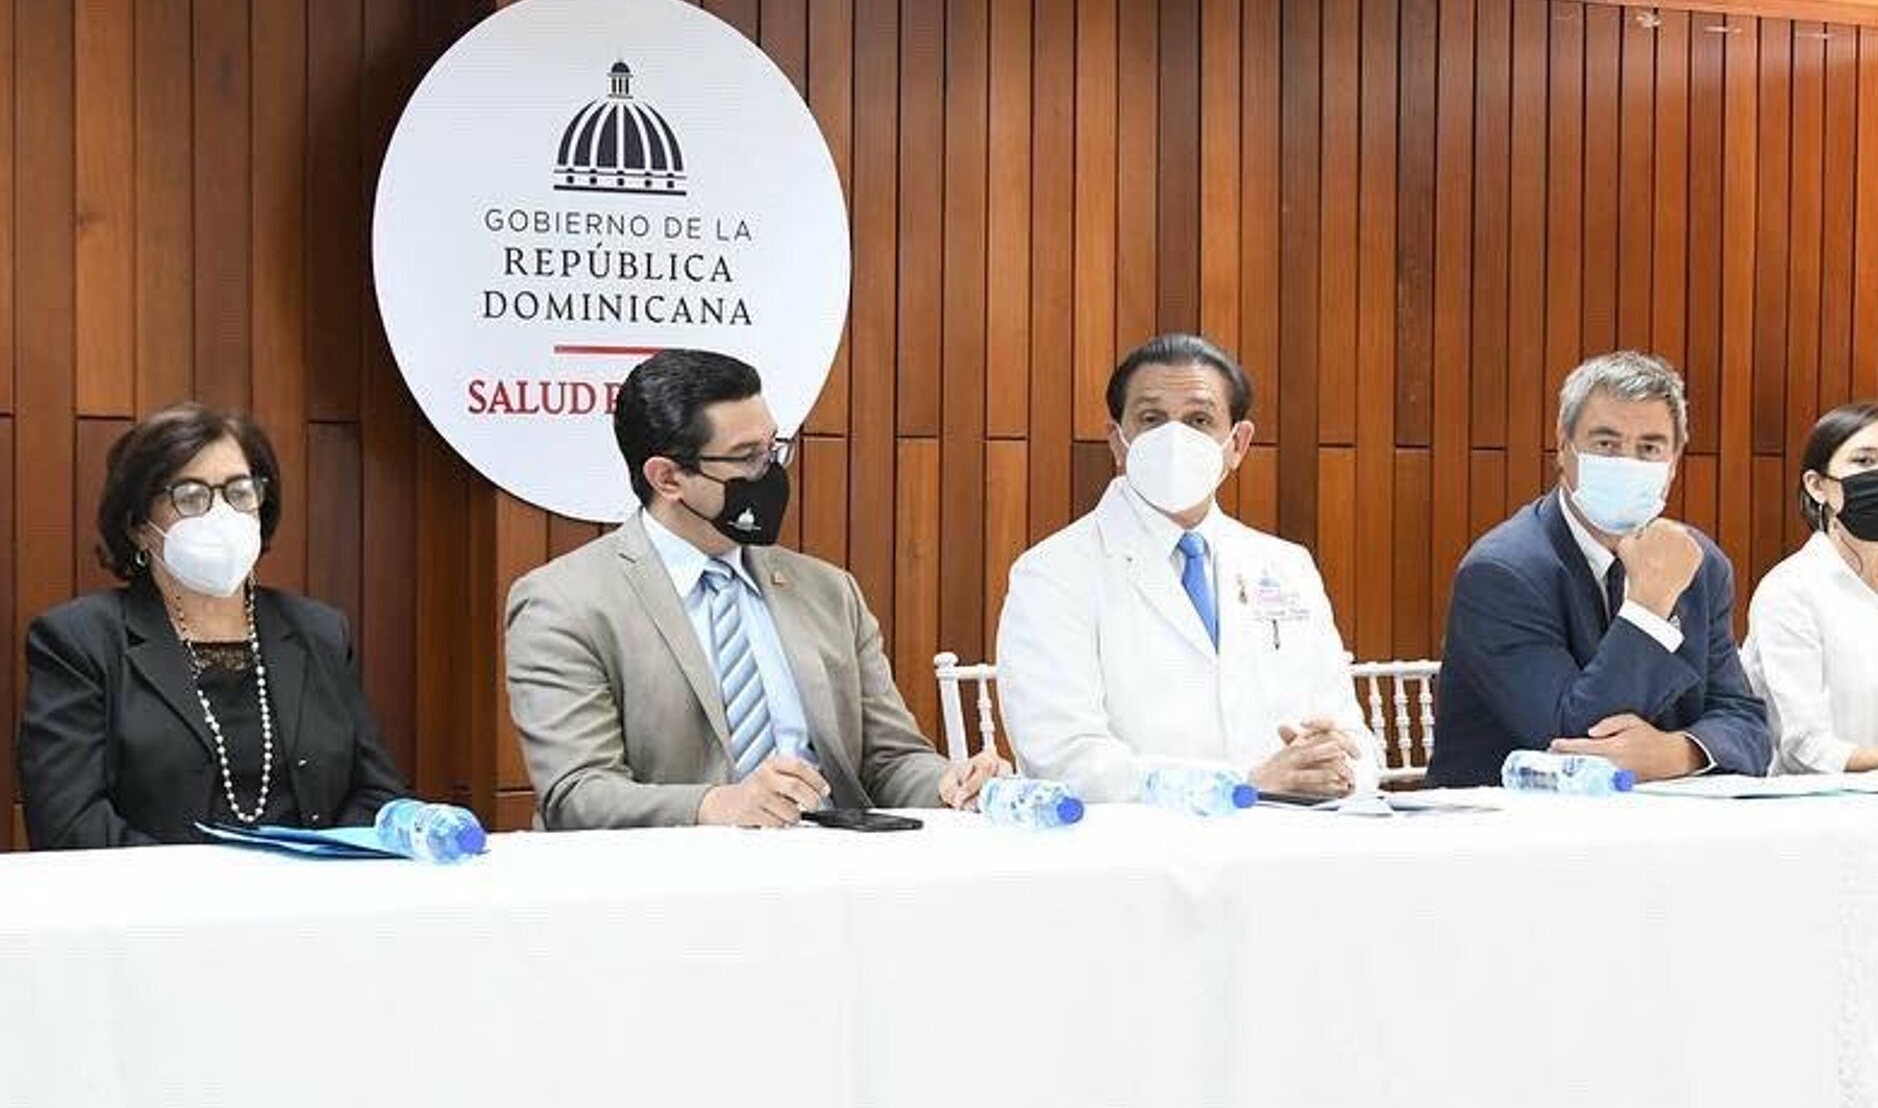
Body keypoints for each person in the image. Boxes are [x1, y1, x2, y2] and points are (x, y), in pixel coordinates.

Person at [506, 349, 1000, 827]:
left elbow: (890, 759)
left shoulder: (830, 591)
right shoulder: (564, 604)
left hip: (837, 867)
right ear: (667, 478)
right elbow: (578, 794)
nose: (770, 473)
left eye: (773, 449)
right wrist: (717, 805)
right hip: (666, 876)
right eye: (746, 458)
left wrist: (950, 783)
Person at [994, 332, 1376, 803]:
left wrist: (1337, 767)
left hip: (1293, 833)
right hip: (1139, 844)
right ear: (1118, 441)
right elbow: (1065, 760)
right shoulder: (1051, 573)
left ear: (1237, 444)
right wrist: (1243, 785)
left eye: (1199, 420)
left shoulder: (1286, 566)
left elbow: (1353, 738)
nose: (1174, 440)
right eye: (1151, 420)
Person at [17, 404, 409, 848]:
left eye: (240, 493)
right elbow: (68, 824)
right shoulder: (80, 641)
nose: (222, 515)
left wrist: (318, 868)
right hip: (158, 892)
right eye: (190, 497)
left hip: (312, 889)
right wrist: (208, 884)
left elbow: (378, 796)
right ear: (138, 526)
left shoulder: (319, 632)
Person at [1427, 350, 1769, 788]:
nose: (1628, 463)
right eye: (1606, 444)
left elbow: (1747, 726)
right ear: (1563, 446)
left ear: (1674, 462)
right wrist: (1649, 606)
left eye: (1649, 448)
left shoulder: (1698, 563)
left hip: (1656, 816)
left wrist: (1676, 752)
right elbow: (1574, 741)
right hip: (1507, 820)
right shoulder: (1502, 572)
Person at [1743, 402, 1878, 774]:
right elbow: (1806, 750)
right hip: (1826, 803)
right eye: (1864, 461)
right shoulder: (1789, 592)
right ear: (1817, 485)